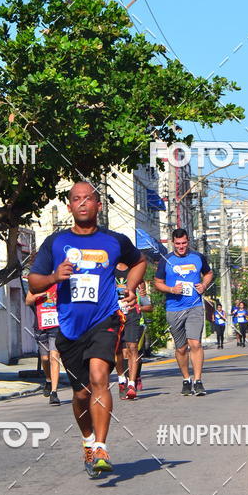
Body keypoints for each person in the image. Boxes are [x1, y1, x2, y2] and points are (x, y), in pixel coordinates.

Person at [28, 181, 146, 478]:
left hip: (104, 320)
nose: (82, 203)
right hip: (69, 328)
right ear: (69, 207)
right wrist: (55, 275)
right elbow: (33, 282)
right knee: (80, 394)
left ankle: (102, 447)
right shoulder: (55, 243)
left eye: (88, 199)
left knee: (99, 378)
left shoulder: (114, 241)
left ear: (98, 205)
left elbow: (139, 261)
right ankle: (88, 441)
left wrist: (130, 289)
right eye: (76, 199)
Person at [153, 229, 214, 395]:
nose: (181, 246)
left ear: (188, 241)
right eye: (178, 243)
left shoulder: (198, 257)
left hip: (194, 306)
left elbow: (208, 273)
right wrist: (171, 289)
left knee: (195, 343)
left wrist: (204, 285)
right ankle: (186, 379)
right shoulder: (166, 260)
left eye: (184, 243)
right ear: (173, 242)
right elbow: (157, 282)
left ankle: (198, 381)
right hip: (174, 308)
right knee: (181, 348)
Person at [25, 284, 61, 405]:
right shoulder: (37, 284)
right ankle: (48, 380)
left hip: (56, 326)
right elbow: (28, 301)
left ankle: (54, 393)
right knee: (45, 359)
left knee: (54, 358)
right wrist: (40, 294)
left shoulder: (59, 284)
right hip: (40, 325)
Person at [114, 263, 142, 400]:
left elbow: (142, 291)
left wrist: (139, 299)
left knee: (132, 347)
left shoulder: (134, 270)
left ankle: (131, 384)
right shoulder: (109, 268)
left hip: (131, 312)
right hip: (114, 313)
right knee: (117, 350)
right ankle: (121, 379)